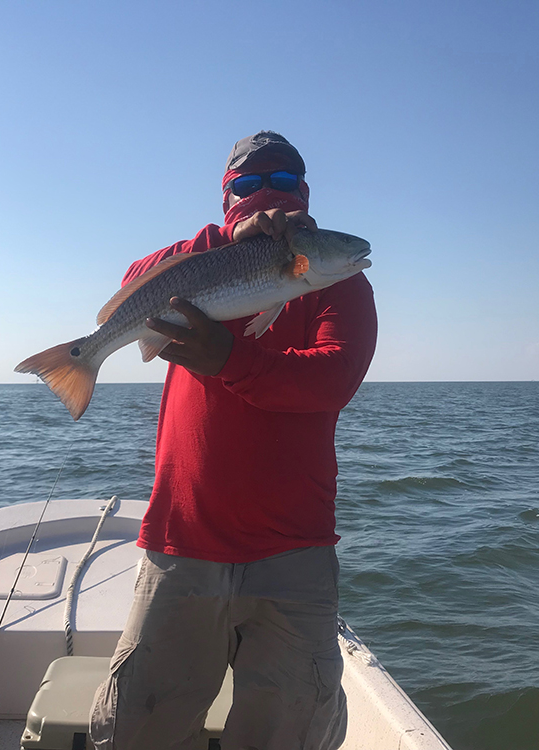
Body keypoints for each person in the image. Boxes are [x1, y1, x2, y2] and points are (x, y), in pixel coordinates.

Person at [90, 131, 377, 750]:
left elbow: (331, 379)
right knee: (143, 725)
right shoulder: (202, 258)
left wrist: (229, 358)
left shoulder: (340, 281)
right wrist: (222, 245)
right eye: (247, 186)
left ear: (303, 194)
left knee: (286, 731)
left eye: (281, 182)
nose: (265, 195)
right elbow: (134, 283)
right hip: (181, 539)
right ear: (227, 200)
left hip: (293, 550)